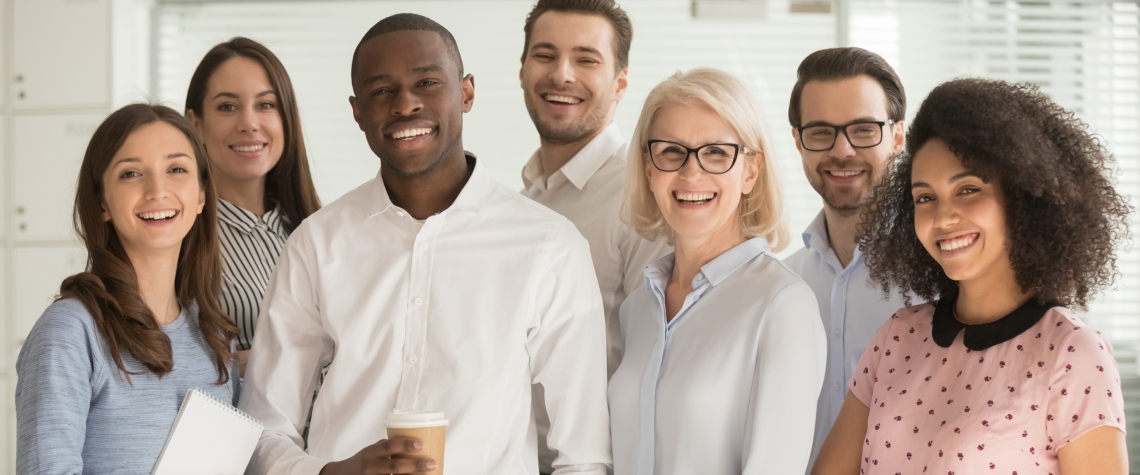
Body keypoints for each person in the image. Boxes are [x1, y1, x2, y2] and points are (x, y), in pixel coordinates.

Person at [239, 13, 612, 475]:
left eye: (428, 82)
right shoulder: (316, 245)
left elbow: (585, 455)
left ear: (467, 92)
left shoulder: (550, 248)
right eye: (380, 91)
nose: (405, 104)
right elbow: (264, 429)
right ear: (357, 112)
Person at [812, 78, 1132, 475]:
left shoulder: (1072, 354)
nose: (943, 218)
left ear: (1021, 195)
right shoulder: (896, 337)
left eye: (967, 189)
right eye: (925, 198)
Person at [608, 68, 826, 475]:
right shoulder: (638, 307)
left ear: (750, 171)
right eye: (671, 151)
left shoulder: (783, 306)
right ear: (649, 168)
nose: (692, 174)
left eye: (716, 153)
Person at [15, 104, 239, 474]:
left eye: (177, 169)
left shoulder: (215, 338)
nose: (157, 190)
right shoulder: (71, 332)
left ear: (201, 195)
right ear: (102, 201)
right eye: (131, 173)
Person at [517, 1, 670, 472]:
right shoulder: (523, 199)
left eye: (586, 59)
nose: (562, 75)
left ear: (621, 82)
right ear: (522, 71)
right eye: (545, 55)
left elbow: (658, 373)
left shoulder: (642, 198)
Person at [781, 47, 915, 470]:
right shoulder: (779, 284)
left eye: (862, 129)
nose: (842, 151)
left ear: (897, 136)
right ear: (798, 141)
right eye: (820, 131)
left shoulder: (943, 279)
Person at [185, 37, 322, 374]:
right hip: (240, 425)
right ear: (196, 124)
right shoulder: (179, 235)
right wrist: (274, 361)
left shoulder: (313, 228)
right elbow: (156, 364)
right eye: (227, 107)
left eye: (265, 105)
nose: (249, 123)